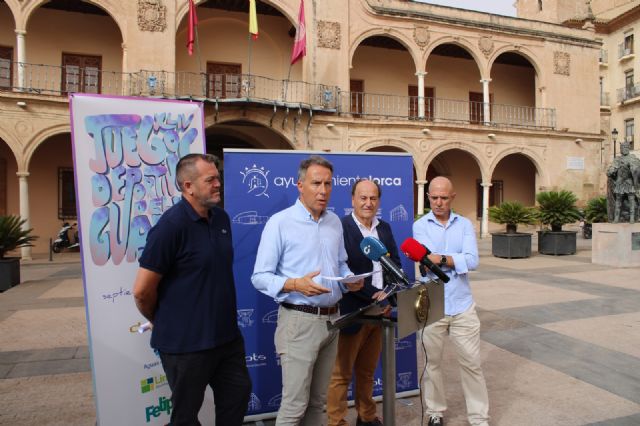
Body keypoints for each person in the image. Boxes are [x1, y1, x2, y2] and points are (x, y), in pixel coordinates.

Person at [133, 153, 251, 426]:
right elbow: (141, 291)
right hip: (186, 346)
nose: (218, 184)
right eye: (210, 180)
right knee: (185, 416)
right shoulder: (170, 227)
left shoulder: (221, 219)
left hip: (227, 339)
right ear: (188, 186)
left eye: (218, 178)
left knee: (238, 397)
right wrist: (161, 319)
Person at [251, 155, 364, 426]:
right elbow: (259, 277)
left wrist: (349, 279)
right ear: (300, 185)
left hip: (332, 322)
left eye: (328, 183)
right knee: (294, 406)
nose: (323, 190)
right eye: (316, 183)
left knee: (318, 403)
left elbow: (340, 263)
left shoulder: (335, 221)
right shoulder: (280, 223)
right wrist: (294, 284)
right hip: (299, 322)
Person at [413, 176, 489, 426]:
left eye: (443, 198)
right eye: (434, 197)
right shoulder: (420, 226)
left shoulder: (465, 225)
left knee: (472, 363)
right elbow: (425, 263)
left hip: (462, 305)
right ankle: (435, 413)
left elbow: (473, 261)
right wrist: (455, 260)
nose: (438, 202)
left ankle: (478, 418)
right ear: (428, 197)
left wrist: (442, 259)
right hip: (431, 303)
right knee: (432, 363)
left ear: (452, 198)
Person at [327, 179, 400, 426]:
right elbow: (344, 270)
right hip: (354, 313)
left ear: (378, 201)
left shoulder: (385, 228)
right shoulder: (342, 227)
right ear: (353, 200)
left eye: (373, 198)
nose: (368, 203)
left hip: (381, 312)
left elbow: (396, 265)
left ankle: (366, 417)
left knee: (367, 372)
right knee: (340, 375)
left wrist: (389, 294)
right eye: (363, 198)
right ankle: (336, 422)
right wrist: (373, 296)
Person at [607, 141, 640, 223]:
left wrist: (631, 166)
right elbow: (612, 168)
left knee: (631, 200)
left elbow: (637, 169)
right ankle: (616, 218)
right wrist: (611, 171)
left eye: (626, 147)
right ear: (621, 149)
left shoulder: (633, 158)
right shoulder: (617, 159)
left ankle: (632, 218)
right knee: (618, 201)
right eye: (622, 148)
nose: (624, 149)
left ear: (628, 148)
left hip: (629, 182)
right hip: (619, 183)